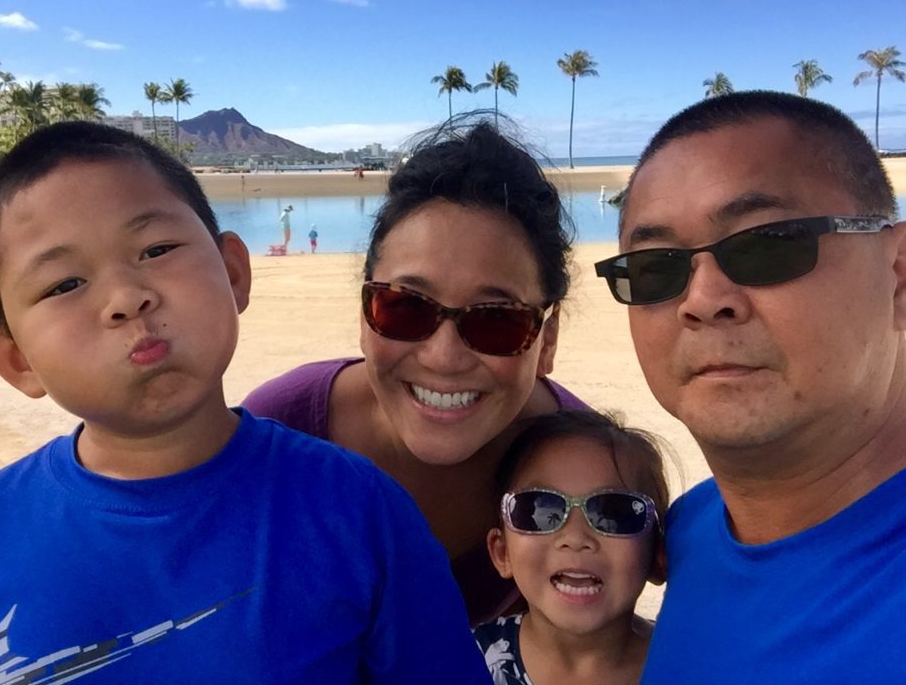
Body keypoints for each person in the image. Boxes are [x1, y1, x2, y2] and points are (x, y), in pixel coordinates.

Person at [0, 122, 489, 683]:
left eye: (155, 251)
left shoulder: (361, 513)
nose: (127, 297)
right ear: (16, 359)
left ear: (233, 274)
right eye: (65, 284)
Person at [593, 90, 906, 682]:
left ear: (897, 276)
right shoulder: (689, 529)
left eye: (768, 245)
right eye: (657, 266)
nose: (704, 300)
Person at [243, 115, 587, 623]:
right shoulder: (277, 431)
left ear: (548, 340)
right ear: (364, 317)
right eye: (406, 308)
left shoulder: (588, 472)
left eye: (496, 321)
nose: (442, 357)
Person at [475, 409, 668, 684]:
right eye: (540, 510)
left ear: (657, 556)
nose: (576, 537)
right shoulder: (465, 661)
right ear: (502, 552)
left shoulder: (687, 665)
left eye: (613, 514)